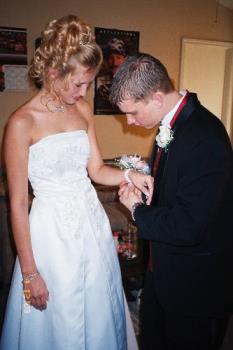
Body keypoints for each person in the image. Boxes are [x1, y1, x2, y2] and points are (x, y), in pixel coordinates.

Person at [0, 16, 154, 350]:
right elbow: (18, 203)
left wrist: (131, 175)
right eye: (78, 83)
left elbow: (96, 170)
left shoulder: (82, 109)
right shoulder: (21, 123)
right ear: (53, 72)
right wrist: (29, 273)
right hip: (51, 236)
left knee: (100, 310)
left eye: (88, 83)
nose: (84, 92)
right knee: (59, 318)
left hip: (90, 225)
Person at [109, 53, 233, 350]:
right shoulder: (171, 126)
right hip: (163, 275)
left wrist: (137, 210)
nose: (129, 121)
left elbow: (189, 226)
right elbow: (180, 187)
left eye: (133, 112)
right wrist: (148, 186)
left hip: (195, 290)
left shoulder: (206, 138)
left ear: (155, 98)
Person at [95, 38, 126, 113]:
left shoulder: (136, 84)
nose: (114, 63)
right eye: (111, 58)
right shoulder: (101, 86)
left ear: (125, 59)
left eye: (118, 58)